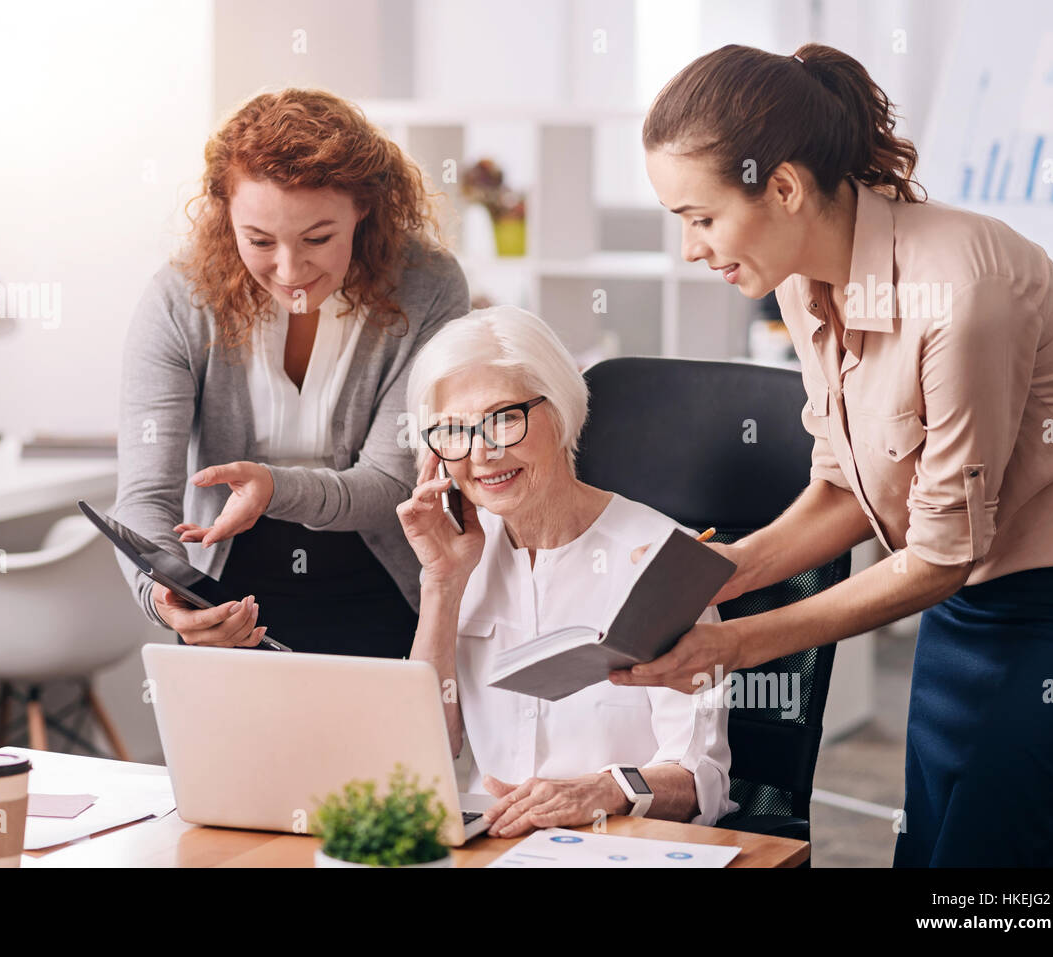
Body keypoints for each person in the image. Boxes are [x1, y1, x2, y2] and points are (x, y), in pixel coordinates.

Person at [624, 42, 1053, 866]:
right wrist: (724, 571)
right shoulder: (803, 282)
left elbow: (941, 554)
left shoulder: (960, 294)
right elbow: (845, 486)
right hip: (963, 605)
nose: (691, 250)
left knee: (987, 882)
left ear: (783, 187)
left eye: (700, 218)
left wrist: (734, 645)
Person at [113, 88, 469, 656]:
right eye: (258, 240)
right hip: (222, 601)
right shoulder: (180, 298)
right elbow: (145, 496)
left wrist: (274, 488)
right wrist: (164, 594)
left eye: (317, 239)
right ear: (224, 215)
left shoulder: (427, 285)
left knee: (387, 749)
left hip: (382, 597)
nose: (289, 269)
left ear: (364, 207)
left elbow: (392, 485)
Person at [396, 306, 738, 838]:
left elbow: (701, 781)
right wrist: (441, 584)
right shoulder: (458, 558)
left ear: (559, 411)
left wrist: (605, 791)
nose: (481, 453)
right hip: (496, 848)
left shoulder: (661, 558)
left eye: (503, 419)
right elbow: (419, 756)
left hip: (624, 847)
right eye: (453, 431)